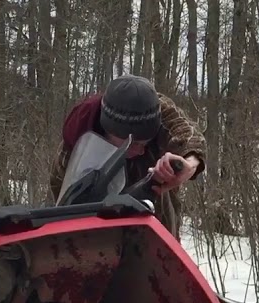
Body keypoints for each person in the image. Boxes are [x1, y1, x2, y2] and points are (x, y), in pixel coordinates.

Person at [50, 74, 205, 239]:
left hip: (156, 223)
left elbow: (190, 136)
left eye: (146, 143)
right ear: (107, 131)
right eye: (133, 145)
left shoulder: (155, 108)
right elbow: (63, 203)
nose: (141, 151)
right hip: (93, 232)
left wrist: (188, 164)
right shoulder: (77, 139)